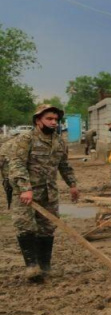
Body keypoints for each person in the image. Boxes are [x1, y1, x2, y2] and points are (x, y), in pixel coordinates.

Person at [7, 105, 80, 281]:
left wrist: (72, 184)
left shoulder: (59, 141)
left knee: (47, 228)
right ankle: (32, 266)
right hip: (25, 193)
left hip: (49, 193)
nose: (54, 122)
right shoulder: (26, 139)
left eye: (56, 119)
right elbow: (16, 164)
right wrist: (25, 188)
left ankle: (45, 266)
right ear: (38, 120)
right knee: (26, 226)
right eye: (49, 119)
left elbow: (64, 165)